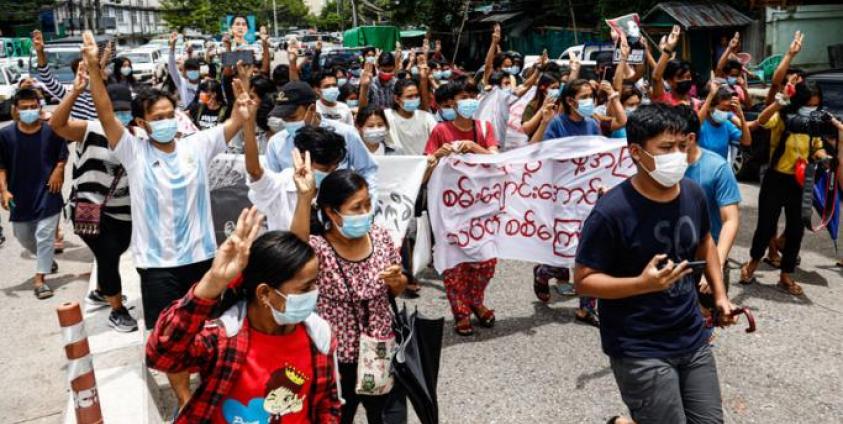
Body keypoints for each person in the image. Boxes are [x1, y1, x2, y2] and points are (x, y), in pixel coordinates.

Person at [80, 31, 250, 409]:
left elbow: (239, 121)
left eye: (170, 115)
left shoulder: (198, 145)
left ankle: (212, 392)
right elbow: (105, 111)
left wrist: (243, 96)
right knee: (171, 337)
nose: (166, 122)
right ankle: (185, 398)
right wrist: (94, 69)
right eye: (157, 118)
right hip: (157, 266)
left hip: (204, 261)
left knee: (210, 332)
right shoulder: (133, 151)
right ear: (140, 123)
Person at [574, 103, 737, 423]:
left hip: (691, 336)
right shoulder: (611, 211)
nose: (677, 155)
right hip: (638, 345)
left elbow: (706, 242)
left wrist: (720, 297)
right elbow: (583, 280)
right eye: (665, 148)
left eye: (681, 145)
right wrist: (642, 284)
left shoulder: (693, 194)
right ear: (636, 152)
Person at [146, 206, 342, 423]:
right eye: (305, 288)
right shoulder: (224, 338)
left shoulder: (318, 336)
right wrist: (213, 281)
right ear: (265, 293)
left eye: (315, 283)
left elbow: (327, 403)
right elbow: (161, 355)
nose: (314, 293)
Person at [289, 161, 406, 424]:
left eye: (367, 204)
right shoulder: (319, 248)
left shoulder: (380, 237)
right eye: (356, 208)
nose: (365, 212)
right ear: (331, 213)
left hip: (380, 352)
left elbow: (395, 291)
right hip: (336, 361)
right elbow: (294, 251)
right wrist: (305, 197)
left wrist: (397, 279)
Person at [50, 73, 137, 332]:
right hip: (88, 207)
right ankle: (117, 311)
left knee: (116, 250)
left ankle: (101, 291)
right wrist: (75, 92)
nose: (119, 116)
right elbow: (57, 124)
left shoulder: (137, 134)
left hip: (124, 211)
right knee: (108, 254)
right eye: (114, 110)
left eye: (125, 111)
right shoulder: (89, 128)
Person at [740, 81, 834, 296]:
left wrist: (825, 159)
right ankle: (752, 264)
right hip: (775, 179)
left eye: (815, 106)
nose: (811, 110)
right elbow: (761, 121)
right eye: (808, 105)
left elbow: (817, 147)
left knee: (796, 230)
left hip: (800, 182)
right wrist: (778, 103)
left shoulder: (812, 124)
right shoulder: (782, 117)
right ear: (798, 102)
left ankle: (786, 275)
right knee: (766, 226)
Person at [424, 80, 499, 336]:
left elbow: (498, 161)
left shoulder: (484, 128)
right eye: (461, 97)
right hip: (451, 210)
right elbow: (425, 172)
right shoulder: (440, 132)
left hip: (481, 207)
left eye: (471, 95)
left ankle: (476, 301)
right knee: (455, 263)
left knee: (486, 261)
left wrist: (475, 148)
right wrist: (437, 157)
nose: (467, 101)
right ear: (450, 103)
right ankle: (461, 312)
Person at [0, 88, 68, 299]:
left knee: (44, 236)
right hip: (20, 195)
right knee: (22, 235)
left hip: (49, 193)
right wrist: (4, 190)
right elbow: (1, 167)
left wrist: (59, 169)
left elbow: (62, 155)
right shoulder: (5, 135)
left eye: (33, 107)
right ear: (16, 110)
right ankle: (45, 260)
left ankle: (40, 281)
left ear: (40, 107)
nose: (29, 110)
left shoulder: (52, 130)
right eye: (24, 108)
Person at [264, 81, 379, 197]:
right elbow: (271, 184)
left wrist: (369, 205)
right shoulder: (276, 143)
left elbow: (367, 170)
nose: (288, 123)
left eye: (293, 117)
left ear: (312, 109)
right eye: (284, 119)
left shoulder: (346, 134)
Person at [680, 106, 741, 297]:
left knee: (707, 321)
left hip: (705, 257)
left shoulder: (717, 168)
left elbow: (730, 220)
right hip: (671, 258)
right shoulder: (662, 165)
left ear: (690, 138)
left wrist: (716, 265)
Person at [246, 122, 347, 232]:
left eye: (334, 168)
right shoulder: (281, 185)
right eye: (325, 169)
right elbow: (255, 172)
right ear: (303, 159)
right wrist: (248, 125)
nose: (329, 174)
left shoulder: (338, 187)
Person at [652, 26, 701, 111]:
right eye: (680, 77)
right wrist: (668, 48)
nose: (686, 80)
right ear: (669, 81)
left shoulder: (697, 104)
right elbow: (656, 77)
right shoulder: (663, 100)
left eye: (688, 77)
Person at [383, 78, 437, 155]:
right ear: (397, 99)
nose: (414, 99)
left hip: (423, 164)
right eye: (409, 96)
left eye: (416, 96)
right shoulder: (386, 116)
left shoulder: (426, 117)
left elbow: (437, 139)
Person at [696, 85, 750, 161]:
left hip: (720, 170)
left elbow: (746, 141)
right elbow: (695, 126)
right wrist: (710, 96)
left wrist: (741, 115)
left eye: (727, 110)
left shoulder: (726, 125)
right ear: (710, 107)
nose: (725, 113)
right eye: (722, 109)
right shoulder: (702, 124)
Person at [168, 32, 203, 108]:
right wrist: (172, 47)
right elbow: (172, 68)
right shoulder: (182, 83)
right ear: (185, 72)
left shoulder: (204, 84)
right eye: (189, 70)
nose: (192, 72)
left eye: (195, 69)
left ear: (199, 70)